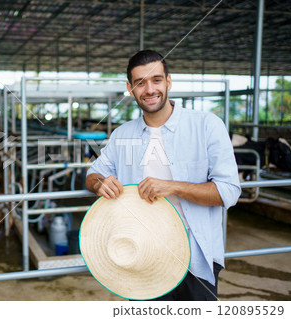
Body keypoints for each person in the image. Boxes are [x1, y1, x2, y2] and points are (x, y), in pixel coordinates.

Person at [86, 50, 241, 301]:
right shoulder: (123, 134)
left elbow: (229, 192)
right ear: (130, 88)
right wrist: (100, 183)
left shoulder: (206, 125)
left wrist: (174, 187)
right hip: (142, 254)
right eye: (140, 83)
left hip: (195, 257)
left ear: (168, 81)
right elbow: (93, 173)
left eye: (156, 80)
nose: (149, 89)